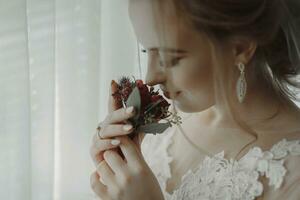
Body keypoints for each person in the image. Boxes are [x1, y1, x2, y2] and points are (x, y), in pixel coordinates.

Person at [90, 0, 300, 199]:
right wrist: (116, 166)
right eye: (146, 50)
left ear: (240, 48)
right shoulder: (161, 127)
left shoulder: (291, 171)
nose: (150, 77)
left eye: (169, 57)